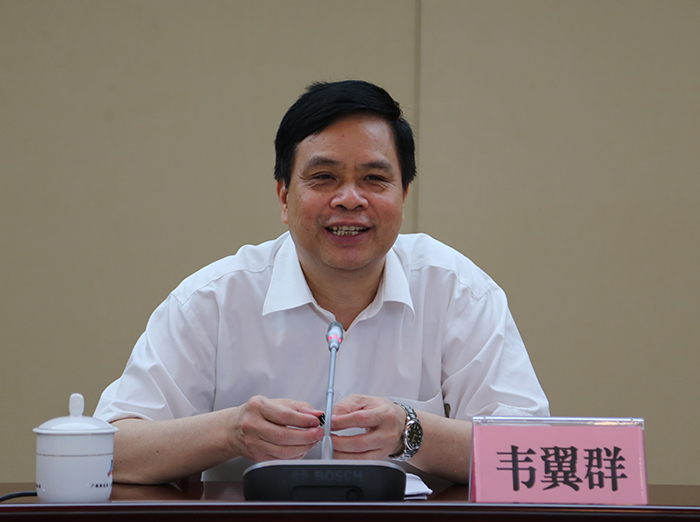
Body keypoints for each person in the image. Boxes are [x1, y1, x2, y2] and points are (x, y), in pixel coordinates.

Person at [94, 80, 549, 485]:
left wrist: (412, 431)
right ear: (284, 196)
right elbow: (109, 450)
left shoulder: (457, 291)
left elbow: (533, 452)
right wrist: (230, 432)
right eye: (324, 177)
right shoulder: (214, 299)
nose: (350, 199)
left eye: (374, 179)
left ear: (403, 195)